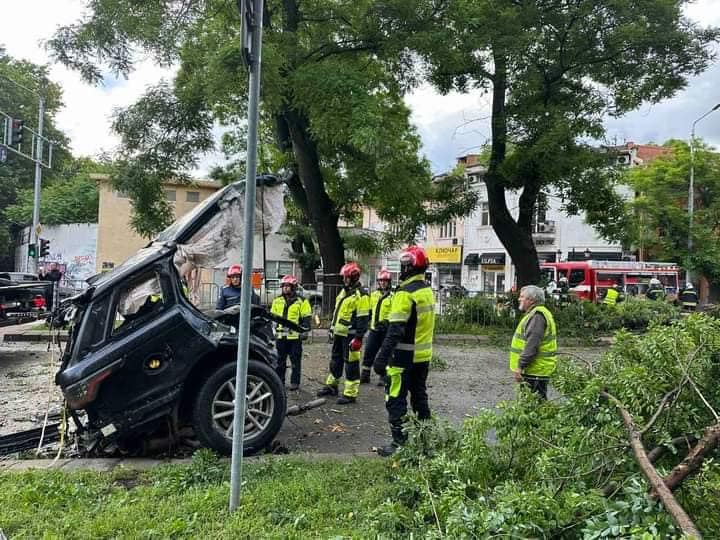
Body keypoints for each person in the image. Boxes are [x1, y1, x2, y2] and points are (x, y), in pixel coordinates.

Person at [374, 246, 435, 457]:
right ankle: (425, 441)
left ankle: (400, 443)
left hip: (402, 358)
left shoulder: (404, 293)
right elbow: (414, 323)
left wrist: (381, 358)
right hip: (422, 356)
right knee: (419, 398)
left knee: (395, 399)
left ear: (408, 267)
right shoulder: (426, 291)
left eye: (403, 265)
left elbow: (397, 331)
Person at [317, 262, 370, 404]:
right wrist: (332, 328)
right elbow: (337, 313)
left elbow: (363, 318)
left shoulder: (361, 295)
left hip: (351, 336)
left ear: (353, 277)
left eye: (346, 277)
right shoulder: (344, 291)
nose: (344, 280)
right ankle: (332, 386)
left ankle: (350, 394)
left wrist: (359, 338)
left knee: (351, 364)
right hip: (340, 334)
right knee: (335, 361)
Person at [509, 284, 557, 400]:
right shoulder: (537, 314)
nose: (519, 299)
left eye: (522, 296)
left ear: (531, 300)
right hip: (536, 370)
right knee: (534, 404)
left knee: (534, 406)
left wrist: (520, 366)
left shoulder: (537, 316)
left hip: (535, 371)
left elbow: (532, 345)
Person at [271, 275, 312, 390]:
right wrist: (271, 331)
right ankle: (279, 381)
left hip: (294, 337)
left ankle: (295, 382)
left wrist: (304, 330)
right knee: (279, 361)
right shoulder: (277, 301)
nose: (285, 288)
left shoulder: (302, 301)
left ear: (293, 287)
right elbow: (272, 318)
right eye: (284, 286)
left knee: (295, 361)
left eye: (288, 286)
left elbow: (306, 317)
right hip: (280, 337)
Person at [360, 268, 394, 385]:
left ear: (389, 282)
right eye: (381, 281)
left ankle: (383, 376)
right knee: (369, 351)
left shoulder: (393, 296)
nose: (383, 283)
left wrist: (386, 322)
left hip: (386, 330)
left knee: (385, 353)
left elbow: (394, 312)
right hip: (374, 330)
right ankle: (365, 374)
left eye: (385, 281)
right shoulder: (373, 295)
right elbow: (369, 310)